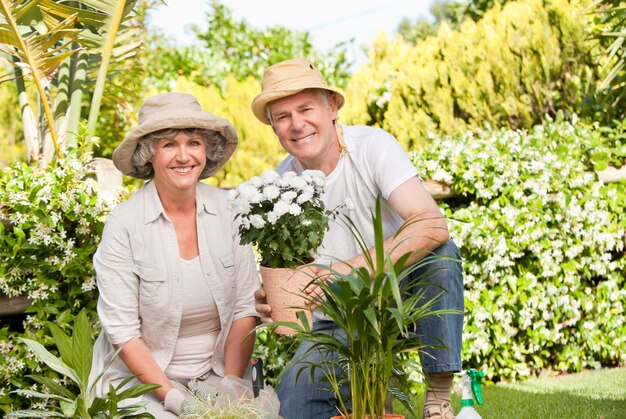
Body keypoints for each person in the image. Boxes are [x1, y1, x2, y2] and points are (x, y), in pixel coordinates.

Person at [251, 58, 464, 419]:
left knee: (440, 254)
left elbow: (431, 224)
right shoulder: (280, 185)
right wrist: (273, 297)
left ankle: (438, 394)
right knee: (296, 400)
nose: (296, 124)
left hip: (403, 294)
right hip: (340, 317)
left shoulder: (372, 146)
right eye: (282, 116)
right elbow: (290, 273)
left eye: (305, 108)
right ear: (273, 127)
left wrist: (346, 271)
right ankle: (369, 403)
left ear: (331, 107)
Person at [90, 92, 260, 418]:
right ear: (147, 154)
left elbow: (244, 309)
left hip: (216, 376)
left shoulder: (230, 211)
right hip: (141, 385)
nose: (184, 156)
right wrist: (179, 403)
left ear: (206, 150)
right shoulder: (124, 225)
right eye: (169, 145)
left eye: (193, 143)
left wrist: (232, 387)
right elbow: (123, 334)